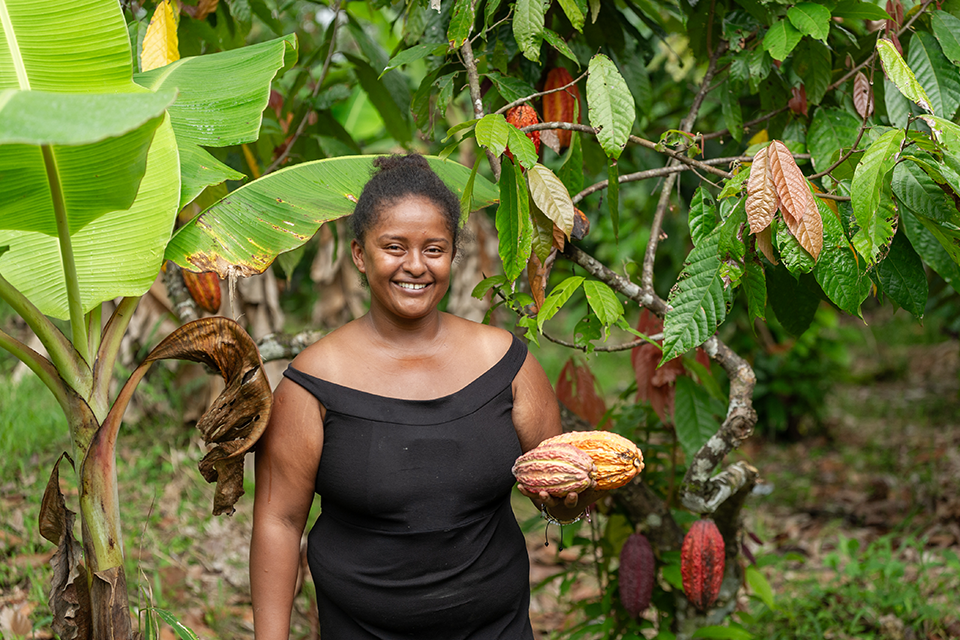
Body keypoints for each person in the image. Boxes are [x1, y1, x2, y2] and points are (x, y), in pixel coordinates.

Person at [249, 154, 598, 639]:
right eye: (394, 247)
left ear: (453, 255)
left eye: (434, 249)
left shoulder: (506, 364)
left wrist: (572, 500)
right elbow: (279, 522)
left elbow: (556, 498)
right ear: (359, 254)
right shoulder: (313, 382)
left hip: (495, 629)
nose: (415, 266)